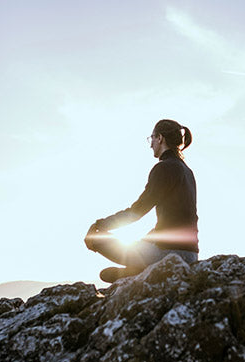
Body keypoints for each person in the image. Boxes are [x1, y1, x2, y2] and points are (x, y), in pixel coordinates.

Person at [85, 119, 199, 283]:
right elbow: (179, 218)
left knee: (96, 239)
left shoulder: (164, 168)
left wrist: (100, 225)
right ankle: (139, 271)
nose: (150, 144)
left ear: (160, 138)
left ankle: (138, 272)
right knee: (143, 242)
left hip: (169, 255)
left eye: (152, 138)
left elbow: (137, 211)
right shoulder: (187, 171)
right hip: (191, 255)